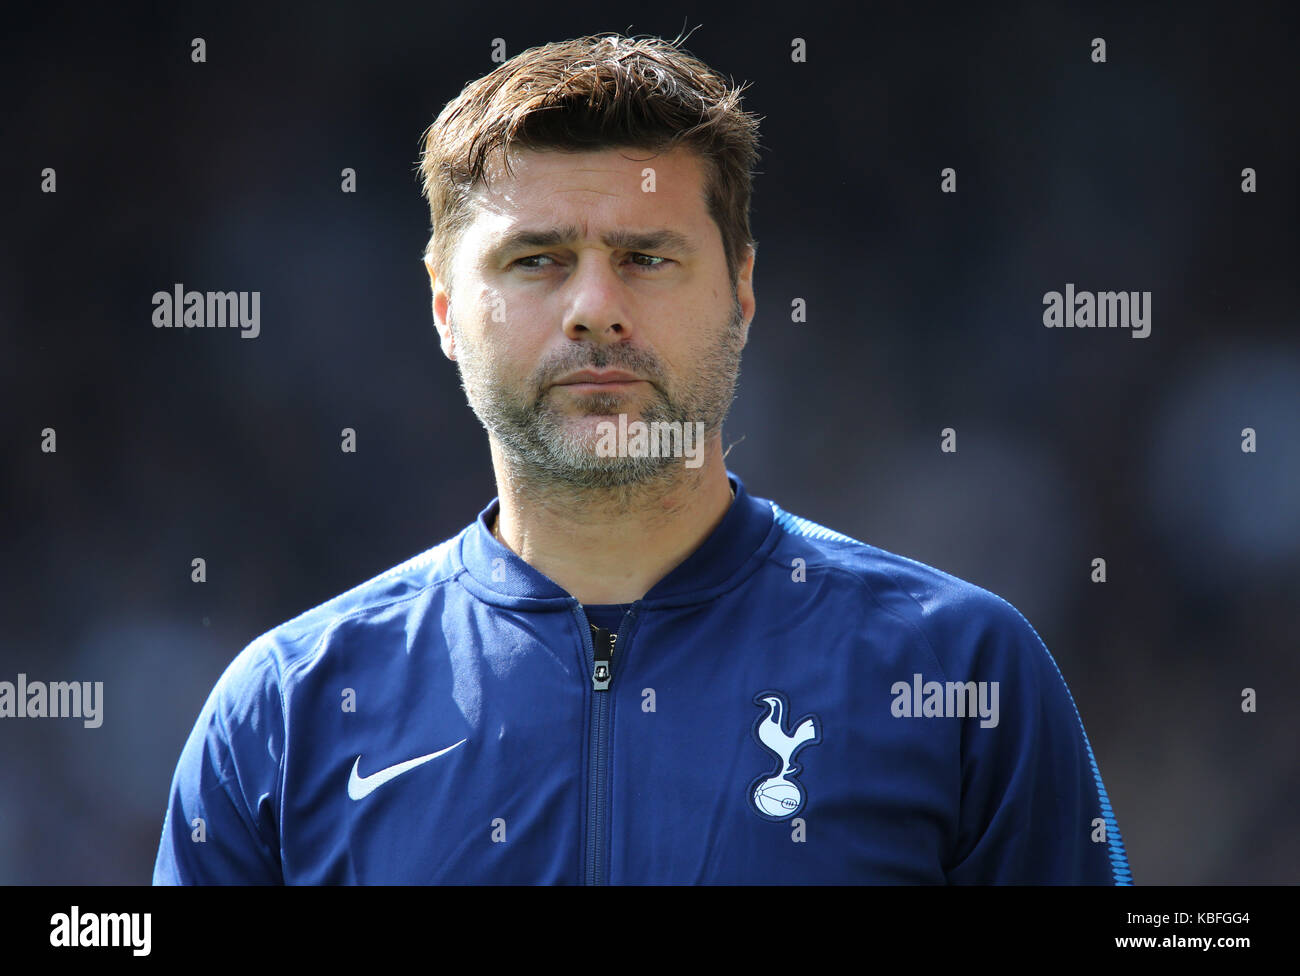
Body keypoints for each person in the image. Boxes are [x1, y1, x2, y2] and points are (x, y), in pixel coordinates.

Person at [153, 32, 1131, 884]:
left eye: (647, 258)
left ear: (742, 293)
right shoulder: (284, 712)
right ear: (445, 307)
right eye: (536, 259)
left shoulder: (961, 671)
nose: (594, 306)